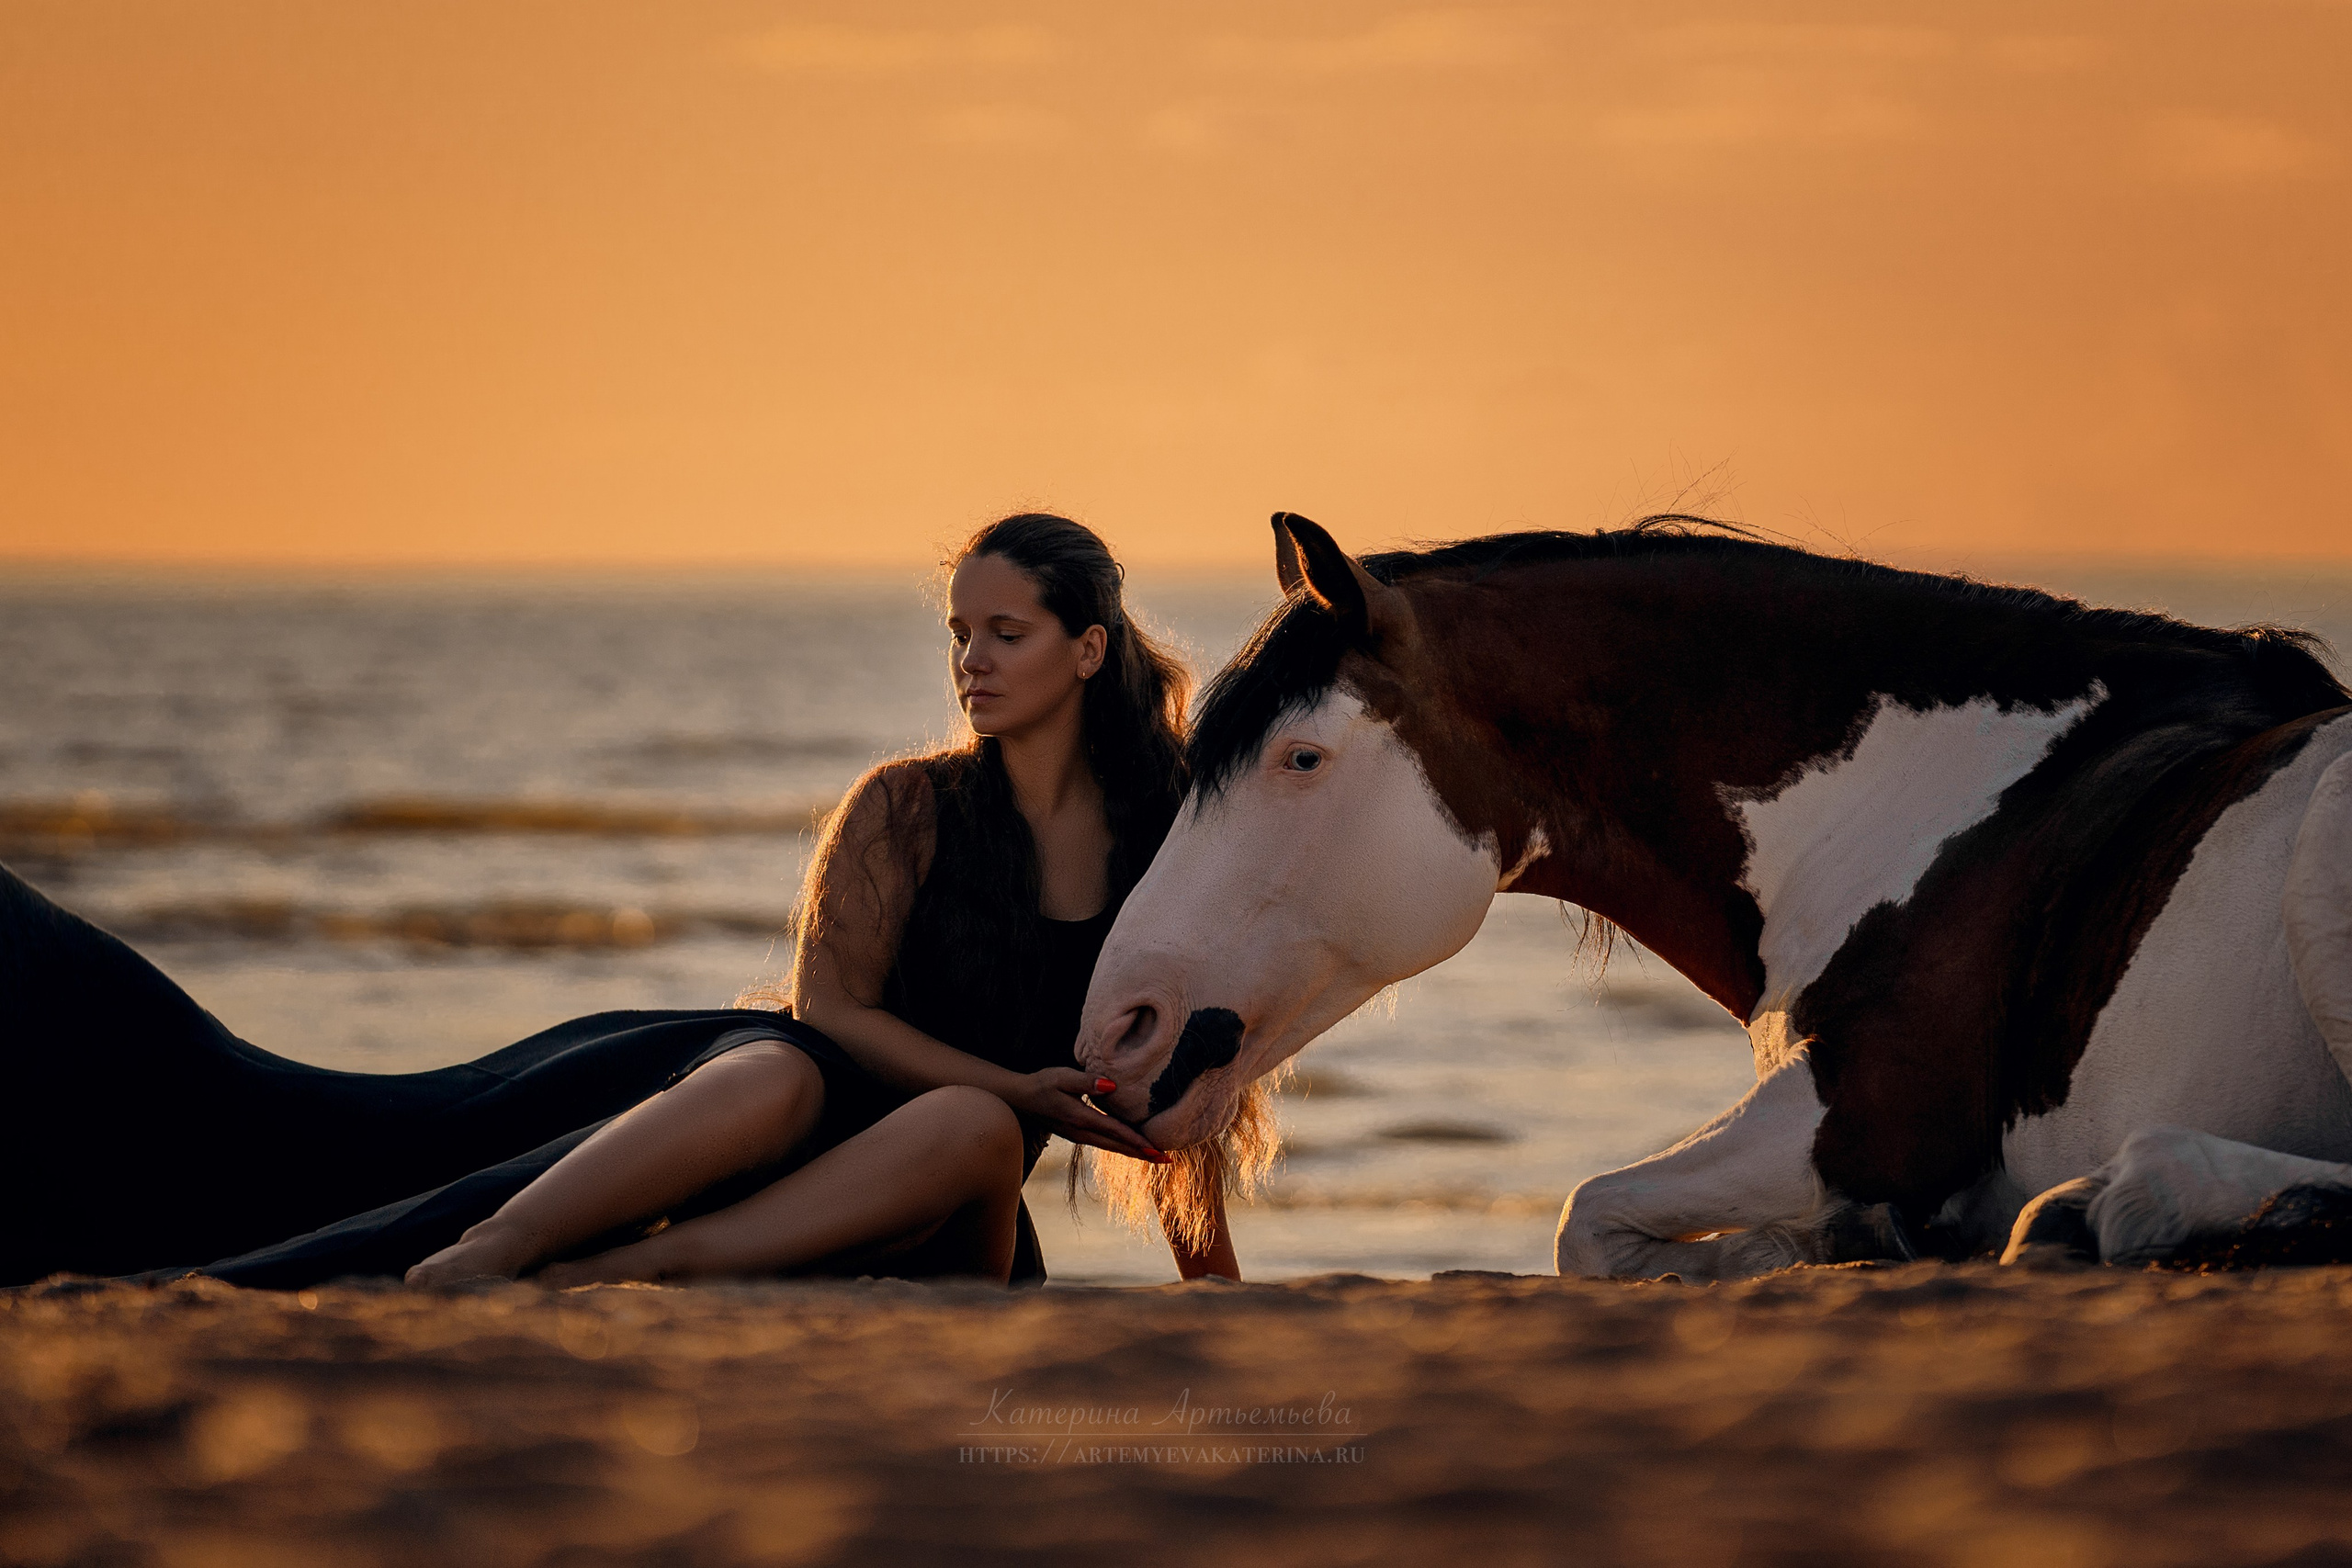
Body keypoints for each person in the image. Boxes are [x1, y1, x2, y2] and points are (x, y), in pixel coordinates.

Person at [0, 514, 1251, 1291]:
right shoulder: (909, 806)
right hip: (784, 1112)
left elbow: (1190, 1096)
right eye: (958, 633)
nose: (971, 661)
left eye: (1007, 633)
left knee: (977, 1135)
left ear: (1088, 649)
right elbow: (829, 1006)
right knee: (787, 1066)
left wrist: (1213, 1285)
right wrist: (1002, 1080)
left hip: (933, 1201)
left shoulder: (1166, 839)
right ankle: (496, 1252)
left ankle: (638, 1268)